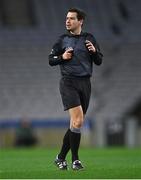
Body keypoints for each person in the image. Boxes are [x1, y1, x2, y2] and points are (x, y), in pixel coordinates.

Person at [49, 7, 103, 170]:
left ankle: (60, 158)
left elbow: (99, 61)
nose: (68, 21)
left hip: (85, 83)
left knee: (76, 123)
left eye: (72, 18)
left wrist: (94, 52)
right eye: (67, 18)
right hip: (68, 82)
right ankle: (75, 160)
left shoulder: (89, 38)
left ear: (80, 21)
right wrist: (62, 57)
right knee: (78, 120)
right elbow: (51, 60)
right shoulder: (62, 40)